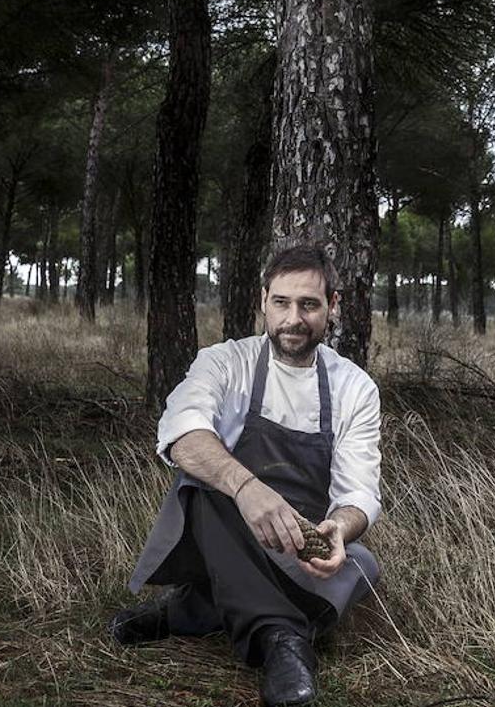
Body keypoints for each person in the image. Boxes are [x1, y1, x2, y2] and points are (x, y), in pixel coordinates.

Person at [111, 244, 382, 706]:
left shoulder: (354, 387)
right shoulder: (224, 362)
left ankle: (195, 610)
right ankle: (281, 640)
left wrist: (338, 528)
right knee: (201, 479)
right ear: (263, 301)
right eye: (281, 302)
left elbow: (359, 489)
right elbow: (184, 435)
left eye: (309, 304)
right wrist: (247, 489)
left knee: (363, 564)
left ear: (332, 307)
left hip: (295, 550)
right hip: (225, 528)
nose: (292, 318)